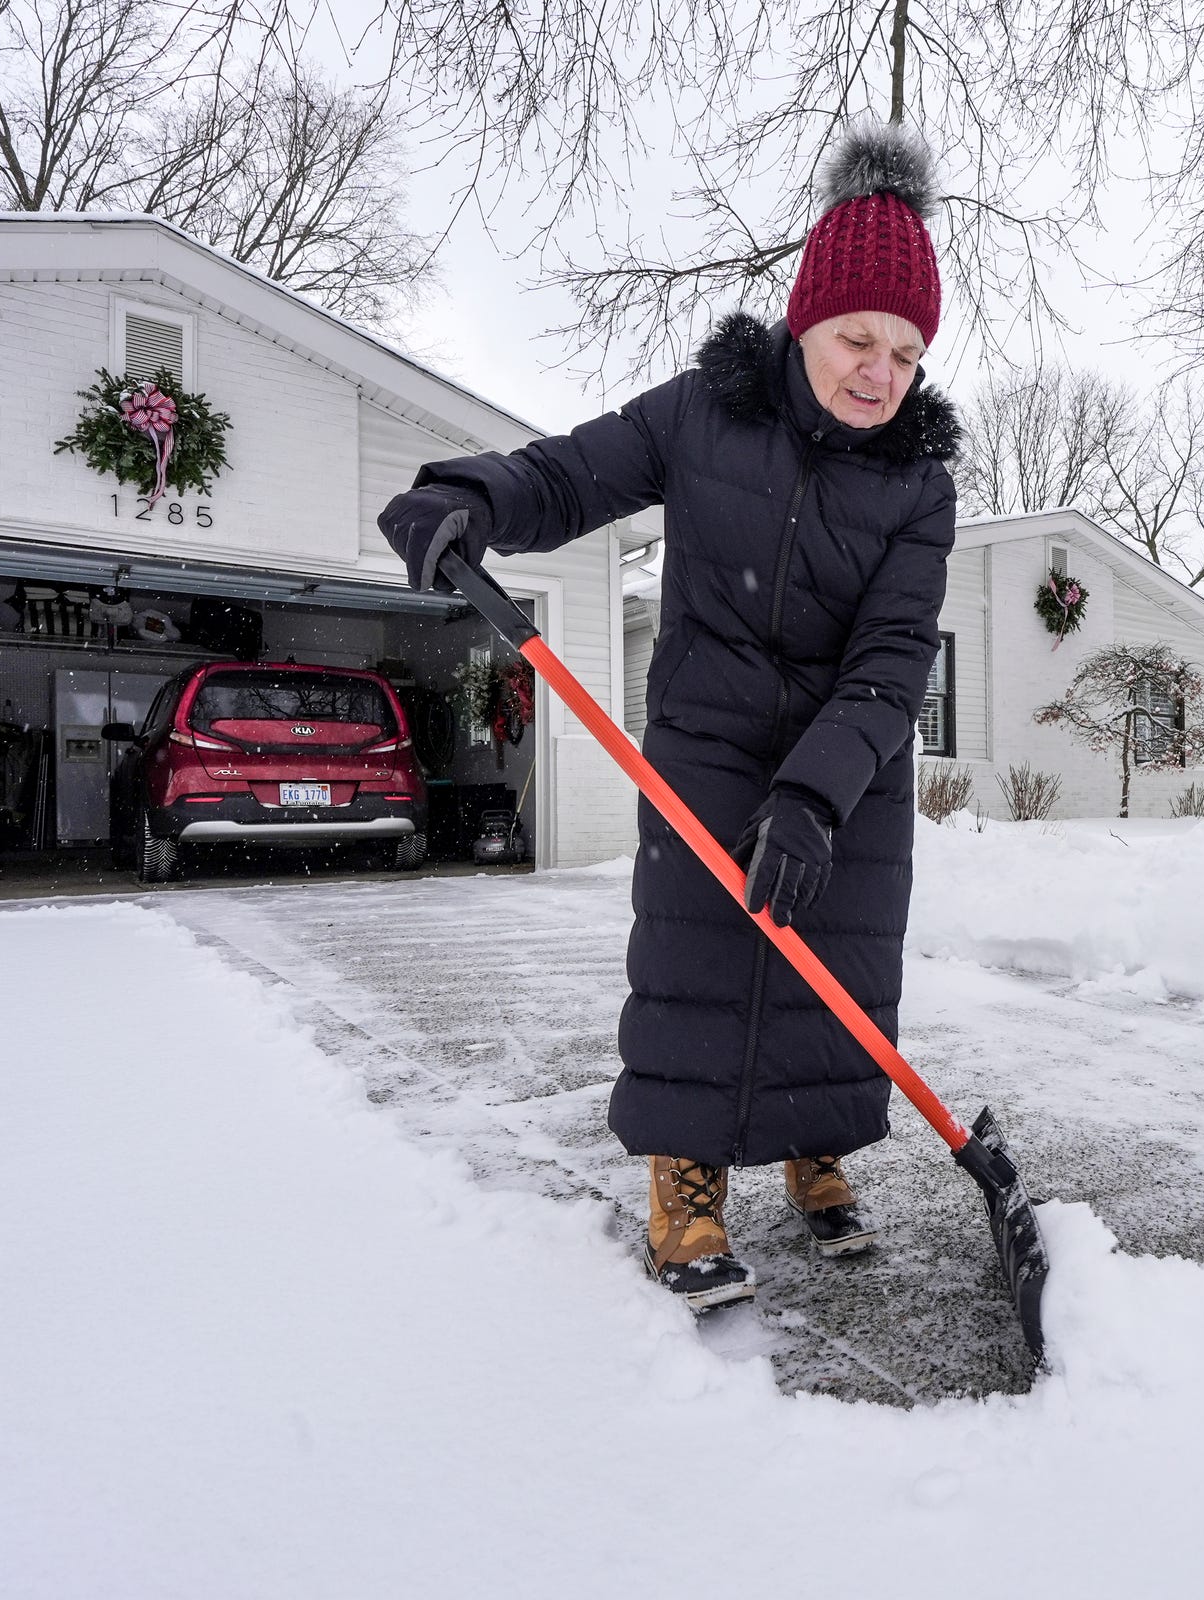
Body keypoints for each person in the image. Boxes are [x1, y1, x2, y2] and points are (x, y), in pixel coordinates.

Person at [375, 121, 959, 1309]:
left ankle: (815, 1144)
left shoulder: (919, 484)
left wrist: (817, 792)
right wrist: (466, 496)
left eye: (905, 351)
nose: (879, 371)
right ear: (804, 321)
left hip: (845, 762)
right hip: (708, 742)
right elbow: (570, 473)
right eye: (857, 338)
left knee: (832, 960)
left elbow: (895, 657)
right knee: (699, 959)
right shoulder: (704, 412)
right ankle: (686, 1180)